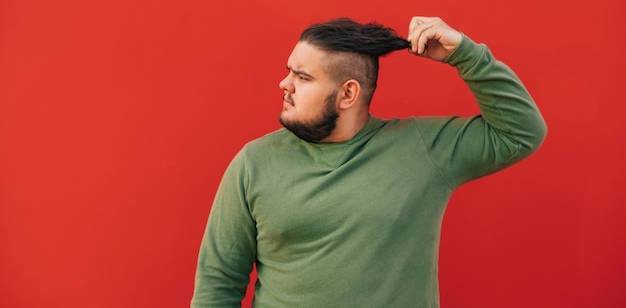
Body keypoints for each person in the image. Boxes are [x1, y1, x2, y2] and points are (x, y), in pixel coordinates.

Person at [190, 16, 547, 308]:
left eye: (303, 77)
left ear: (348, 94)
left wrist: (466, 55)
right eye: (289, 71)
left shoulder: (421, 150)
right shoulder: (254, 163)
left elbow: (521, 133)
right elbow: (218, 283)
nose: (284, 84)